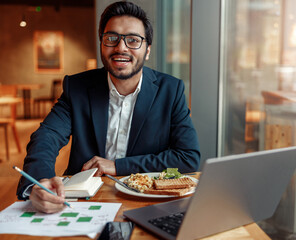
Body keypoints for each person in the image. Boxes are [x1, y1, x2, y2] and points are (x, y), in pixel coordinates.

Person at [16, 1, 200, 213]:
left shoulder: (171, 90)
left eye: (133, 40)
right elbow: (46, 137)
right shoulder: (77, 87)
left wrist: (118, 166)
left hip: (147, 202)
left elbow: (188, 157)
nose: (121, 47)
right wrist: (40, 182)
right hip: (83, 201)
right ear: (102, 44)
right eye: (112, 38)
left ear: (147, 50)